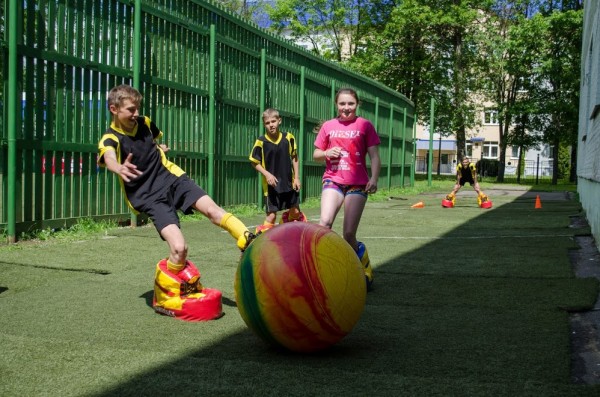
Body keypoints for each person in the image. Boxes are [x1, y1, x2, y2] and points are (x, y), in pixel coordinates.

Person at [97, 85, 256, 314]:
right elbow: (108, 156)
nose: (136, 113)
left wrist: (159, 147)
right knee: (180, 249)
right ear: (114, 109)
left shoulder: (145, 123)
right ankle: (164, 293)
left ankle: (247, 240)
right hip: (149, 197)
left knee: (212, 210)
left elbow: (154, 141)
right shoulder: (110, 138)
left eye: (137, 108)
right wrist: (118, 167)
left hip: (172, 178)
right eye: (130, 109)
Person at [313, 88, 381, 290]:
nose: (346, 108)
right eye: (342, 104)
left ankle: (363, 264)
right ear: (336, 105)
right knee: (324, 224)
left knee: (349, 234)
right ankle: (322, 269)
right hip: (333, 180)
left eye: (350, 103)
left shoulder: (365, 125)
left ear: (357, 104)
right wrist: (326, 152)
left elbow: (375, 157)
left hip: (357, 183)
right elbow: (316, 154)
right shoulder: (328, 126)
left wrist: (375, 178)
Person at [249, 108, 306, 233]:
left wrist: (296, 177)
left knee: (295, 212)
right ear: (264, 124)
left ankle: (285, 223)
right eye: (267, 123)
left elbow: (295, 157)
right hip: (271, 186)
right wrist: (267, 174)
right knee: (271, 216)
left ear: (279, 121)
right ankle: (262, 242)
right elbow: (254, 161)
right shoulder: (261, 141)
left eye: (273, 121)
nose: (271, 125)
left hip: (289, 183)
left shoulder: (289, 137)